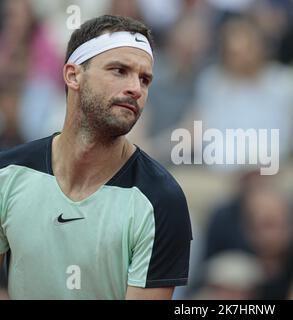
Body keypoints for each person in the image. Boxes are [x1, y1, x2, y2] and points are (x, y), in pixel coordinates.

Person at [0, 15, 192, 300]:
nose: (136, 89)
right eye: (119, 70)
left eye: (145, 79)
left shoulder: (162, 200)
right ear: (73, 75)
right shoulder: (7, 174)